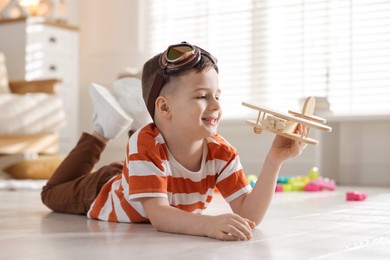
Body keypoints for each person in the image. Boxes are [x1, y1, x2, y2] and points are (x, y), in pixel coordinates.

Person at [41, 42, 303, 241]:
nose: (215, 106)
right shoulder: (146, 143)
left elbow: (248, 217)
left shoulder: (222, 153)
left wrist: (273, 161)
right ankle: (102, 131)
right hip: (102, 190)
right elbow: (159, 215)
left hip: (142, 174)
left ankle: (135, 117)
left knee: (148, 143)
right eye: (202, 96)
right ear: (164, 107)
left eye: (217, 96)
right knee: (51, 194)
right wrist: (207, 225)